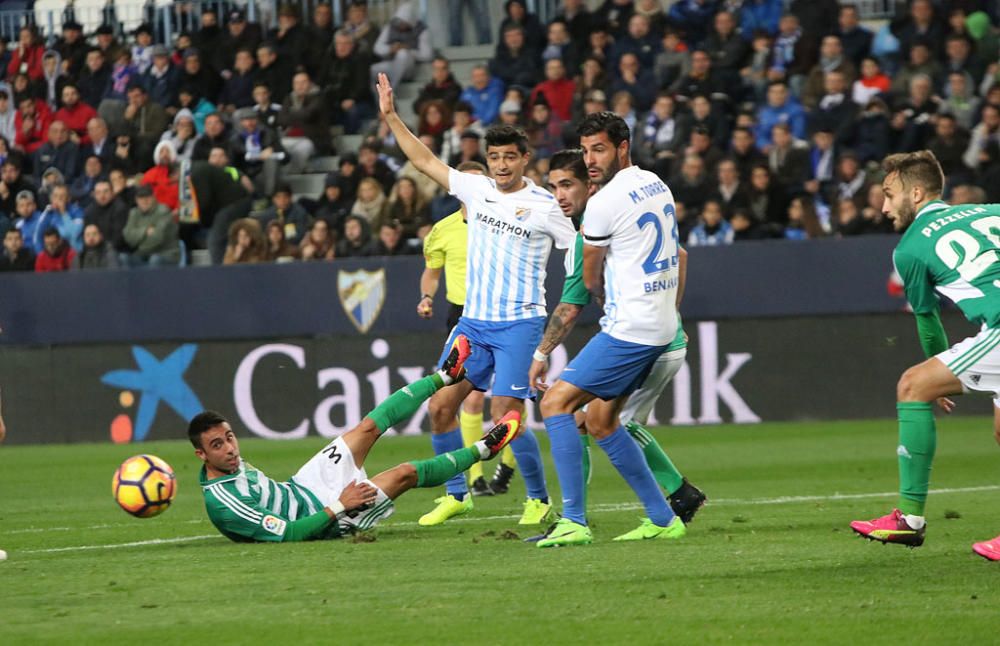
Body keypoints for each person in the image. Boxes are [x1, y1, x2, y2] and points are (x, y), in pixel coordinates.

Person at [376, 72, 577, 526]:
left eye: (510, 157)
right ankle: (456, 494)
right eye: (495, 157)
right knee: (440, 406)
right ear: (486, 161)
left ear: (526, 159)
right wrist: (390, 116)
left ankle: (539, 499)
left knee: (504, 413)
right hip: (472, 324)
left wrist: (568, 309)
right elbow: (423, 159)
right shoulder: (477, 189)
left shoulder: (546, 206)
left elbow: (579, 256)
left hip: (520, 325)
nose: (502, 165)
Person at [526, 148, 705, 547]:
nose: (559, 195)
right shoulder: (632, 207)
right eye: (553, 186)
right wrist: (670, 314)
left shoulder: (594, 229)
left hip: (634, 336)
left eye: (567, 185)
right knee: (603, 421)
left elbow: (571, 307)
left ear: (591, 185)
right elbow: (680, 255)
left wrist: (540, 355)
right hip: (661, 335)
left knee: (557, 404)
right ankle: (664, 514)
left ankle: (573, 519)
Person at [192, 338, 521, 542]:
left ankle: (445, 376)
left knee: (367, 427)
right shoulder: (225, 503)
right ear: (201, 455)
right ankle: (484, 448)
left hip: (303, 484)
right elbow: (289, 533)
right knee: (403, 473)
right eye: (218, 445)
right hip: (325, 519)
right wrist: (339, 504)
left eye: (230, 437)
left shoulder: (233, 467)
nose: (230, 448)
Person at [849, 150, 1000, 561]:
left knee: (914, 385)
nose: (882, 207)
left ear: (915, 193)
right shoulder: (988, 211)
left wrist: (940, 381)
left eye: (888, 194)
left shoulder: (911, 247)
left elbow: (928, 320)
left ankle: (909, 521)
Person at [419, 160, 518, 496]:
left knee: (505, 406)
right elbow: (432, 271)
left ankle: (509, 468)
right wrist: (426, 297)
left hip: (503, 313)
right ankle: (472, 478)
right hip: (463, 317)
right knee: (464, 402)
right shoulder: (443, 230)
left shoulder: (504, 221)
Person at [122, 184, 180, 267]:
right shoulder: (134, 213)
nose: (144, 201)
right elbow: (128, 236)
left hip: (166, 253)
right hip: (143, 255)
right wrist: (145, 230)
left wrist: (138, 240)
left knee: (155, 259)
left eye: (147, 197)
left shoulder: (163, 211)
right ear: (136, 200)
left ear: (153, 197)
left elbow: (157, 238)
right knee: (124, 257)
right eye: (141, 198)